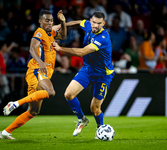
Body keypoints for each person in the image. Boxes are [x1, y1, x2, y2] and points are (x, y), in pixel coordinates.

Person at [0, 10, 67, 139]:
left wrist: (63, 21)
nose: (49, 22)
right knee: (50, 91)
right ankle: (15, 103)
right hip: (37, 70)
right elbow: (32, 48)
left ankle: (5, 132)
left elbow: (63, 35)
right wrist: (40, 61)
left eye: (51, 20)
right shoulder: (39, 32)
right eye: (46, 20)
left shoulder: (50, 34)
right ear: (40, 21)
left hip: (41, 73)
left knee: (33, 111)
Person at [53, 11, 114, 138]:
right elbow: (78, 22)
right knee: (68, 94)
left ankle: (99, 130)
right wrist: (61, 25)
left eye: (99, 24)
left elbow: (82, 52)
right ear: (91, 20)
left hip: (102, 75)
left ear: (103, 23)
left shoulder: (103, 38)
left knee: (95, 108)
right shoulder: (88, 24)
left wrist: (60, 49)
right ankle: (82, 119)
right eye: (93, 22)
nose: (95, 26)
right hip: (87, 69)